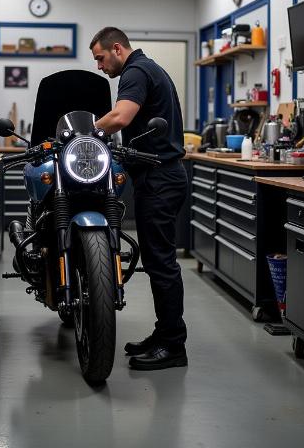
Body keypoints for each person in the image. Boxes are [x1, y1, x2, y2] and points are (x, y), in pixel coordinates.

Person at [89, 26, 189, 371]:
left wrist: (83, 135)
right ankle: (164, 335)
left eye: (101, 58)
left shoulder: (134, 72)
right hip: (160, 176)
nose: (100, 66)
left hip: (160, 179)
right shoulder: (148, 68)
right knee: (158, 260)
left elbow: (121, 117)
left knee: (161, 263)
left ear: (117, 49)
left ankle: (173, 346)